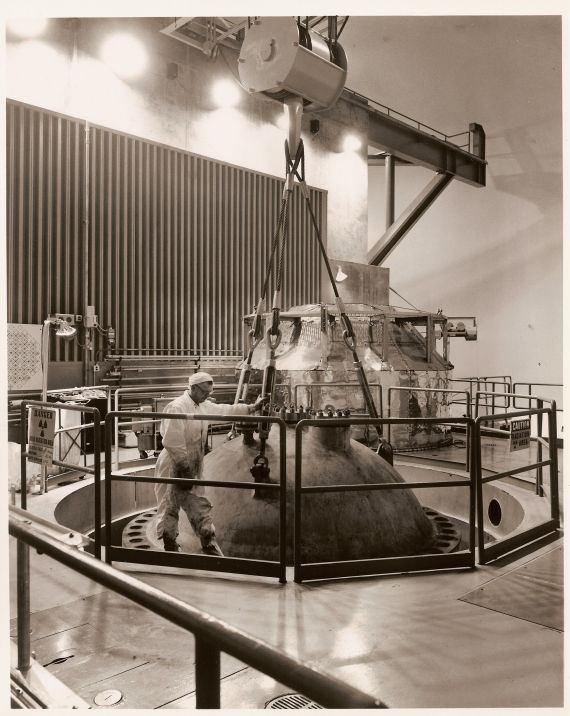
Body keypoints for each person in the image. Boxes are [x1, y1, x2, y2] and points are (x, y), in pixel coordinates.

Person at [154, 372, 265, 555]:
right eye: (205, 392)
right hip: (174, 462)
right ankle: (169, 543)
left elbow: (224, 410)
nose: (208, 395)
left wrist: (252, 408)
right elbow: (173, 441)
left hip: (194, 461)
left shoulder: (202, 405)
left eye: (209, 392)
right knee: (169, 505)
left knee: (199, 502)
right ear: (193, 388)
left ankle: (208, 540)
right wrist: (184, 466)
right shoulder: (177, 407)